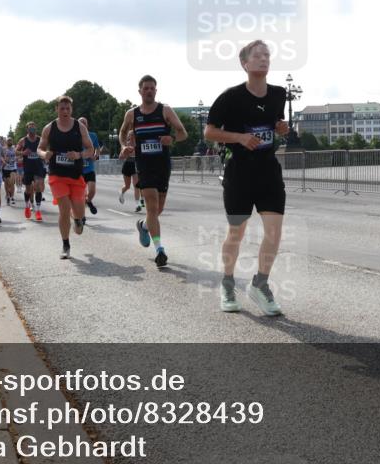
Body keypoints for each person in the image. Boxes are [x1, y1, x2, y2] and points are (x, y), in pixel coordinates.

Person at [204, 40, 290, 314]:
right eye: (258, 55)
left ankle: (260, 284)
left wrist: (281, 128)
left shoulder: (279, 94)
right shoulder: (230, 97)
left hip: (268, 171)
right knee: (236, 233)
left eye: (267, 54)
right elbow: (209, 132)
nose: (264, 59)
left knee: (274, 232)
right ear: (245, 63)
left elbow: (275, 125)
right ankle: (228, 283)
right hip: (239, 172)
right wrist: (239, 137)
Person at [118, 75, 188, 268]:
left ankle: (143, 226)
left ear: (156, 91)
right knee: (151, 206)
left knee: (158, 210)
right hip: (144, 165)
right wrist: (124, 146)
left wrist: (172, 138)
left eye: (152, 88)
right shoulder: (132, 114)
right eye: (146, 88)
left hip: (162, 165)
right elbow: (123, 132)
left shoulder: (165, 110)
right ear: (139, 91)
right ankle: (160, 250)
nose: (149, 91)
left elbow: (183, 132)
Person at [38, 97, 94, 258]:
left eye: (67, 109)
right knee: (63, 209)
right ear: (57, 109)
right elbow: (40, 148)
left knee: (79, 214)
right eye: (62, 108)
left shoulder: (79, 127)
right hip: (57, 175)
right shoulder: (49, 128)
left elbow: (90, 149)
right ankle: (65, 245)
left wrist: (79, 154)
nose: (65, 111)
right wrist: (44, 154)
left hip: (76, 175)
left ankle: (78, 219)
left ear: (71, 109)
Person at [17, 121, 46, 221]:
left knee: (38, 187)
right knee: (28, 189)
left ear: (36, 128)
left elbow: (44, 150)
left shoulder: (40, 140)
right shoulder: (23, 140)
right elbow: (16, 151)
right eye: (30, 127)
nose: (32, 129)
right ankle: (27, 206)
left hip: (38, 167)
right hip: (28, 168)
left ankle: (38, 210)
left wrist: (43, 154)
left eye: (33, 127)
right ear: (27, 129)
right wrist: (23, 152)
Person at [78, 117, 101, 216]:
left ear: (87, 125)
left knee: (92, 191)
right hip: (78, 169)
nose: (83, 124)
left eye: (85, 123)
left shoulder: (93, 135)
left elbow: (97, 148)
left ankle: (88, 201)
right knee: (81, 194)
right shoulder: (74, 136)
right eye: (81, 123)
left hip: (89, 168)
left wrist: (96, 155)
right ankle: (82, 216)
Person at [3, 137, 18, 205]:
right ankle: (7, 195)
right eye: (8, 141)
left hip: (13, 168)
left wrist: (16, 158)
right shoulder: (3, 149)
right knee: (7, 184)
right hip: (5, 168)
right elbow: (0, 157)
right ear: (6, 142)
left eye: (10, 140)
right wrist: (4, 160)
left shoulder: (15, 149)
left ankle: (12, 197)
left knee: (12, 183)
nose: (10, 142)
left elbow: (19, 156)